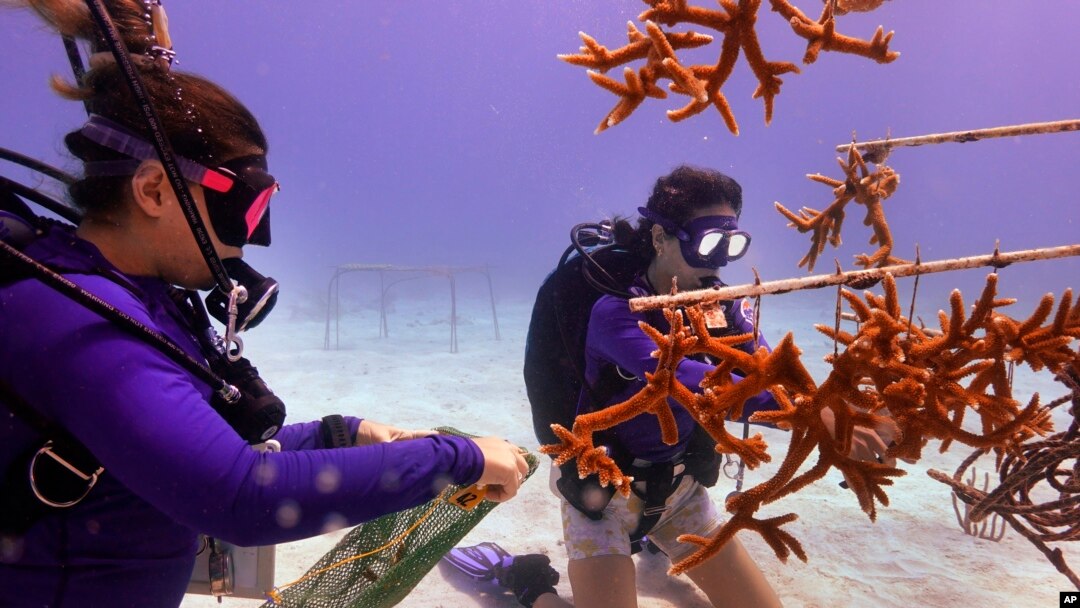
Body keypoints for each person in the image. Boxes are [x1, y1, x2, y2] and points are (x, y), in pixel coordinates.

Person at [0, 2, 528, 606]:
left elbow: (207, 447)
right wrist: (456, 458)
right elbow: (242, 498)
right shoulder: (86, 326)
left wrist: (343, 434)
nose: (255, 236)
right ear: (152, 191)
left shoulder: (138, 302)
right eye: (245, 206)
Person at [551, 165, 896, 608]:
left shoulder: (724, 306)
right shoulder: (615, 313)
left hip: (680, 492)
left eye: (731, 245)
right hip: (600, 495)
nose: (717, 262)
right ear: (660, 237)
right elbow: (691, 384)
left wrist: (841, 404)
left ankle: (656, 556)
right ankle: (530, 586)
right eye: (708, 242)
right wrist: (814, 415)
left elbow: (769, 370)